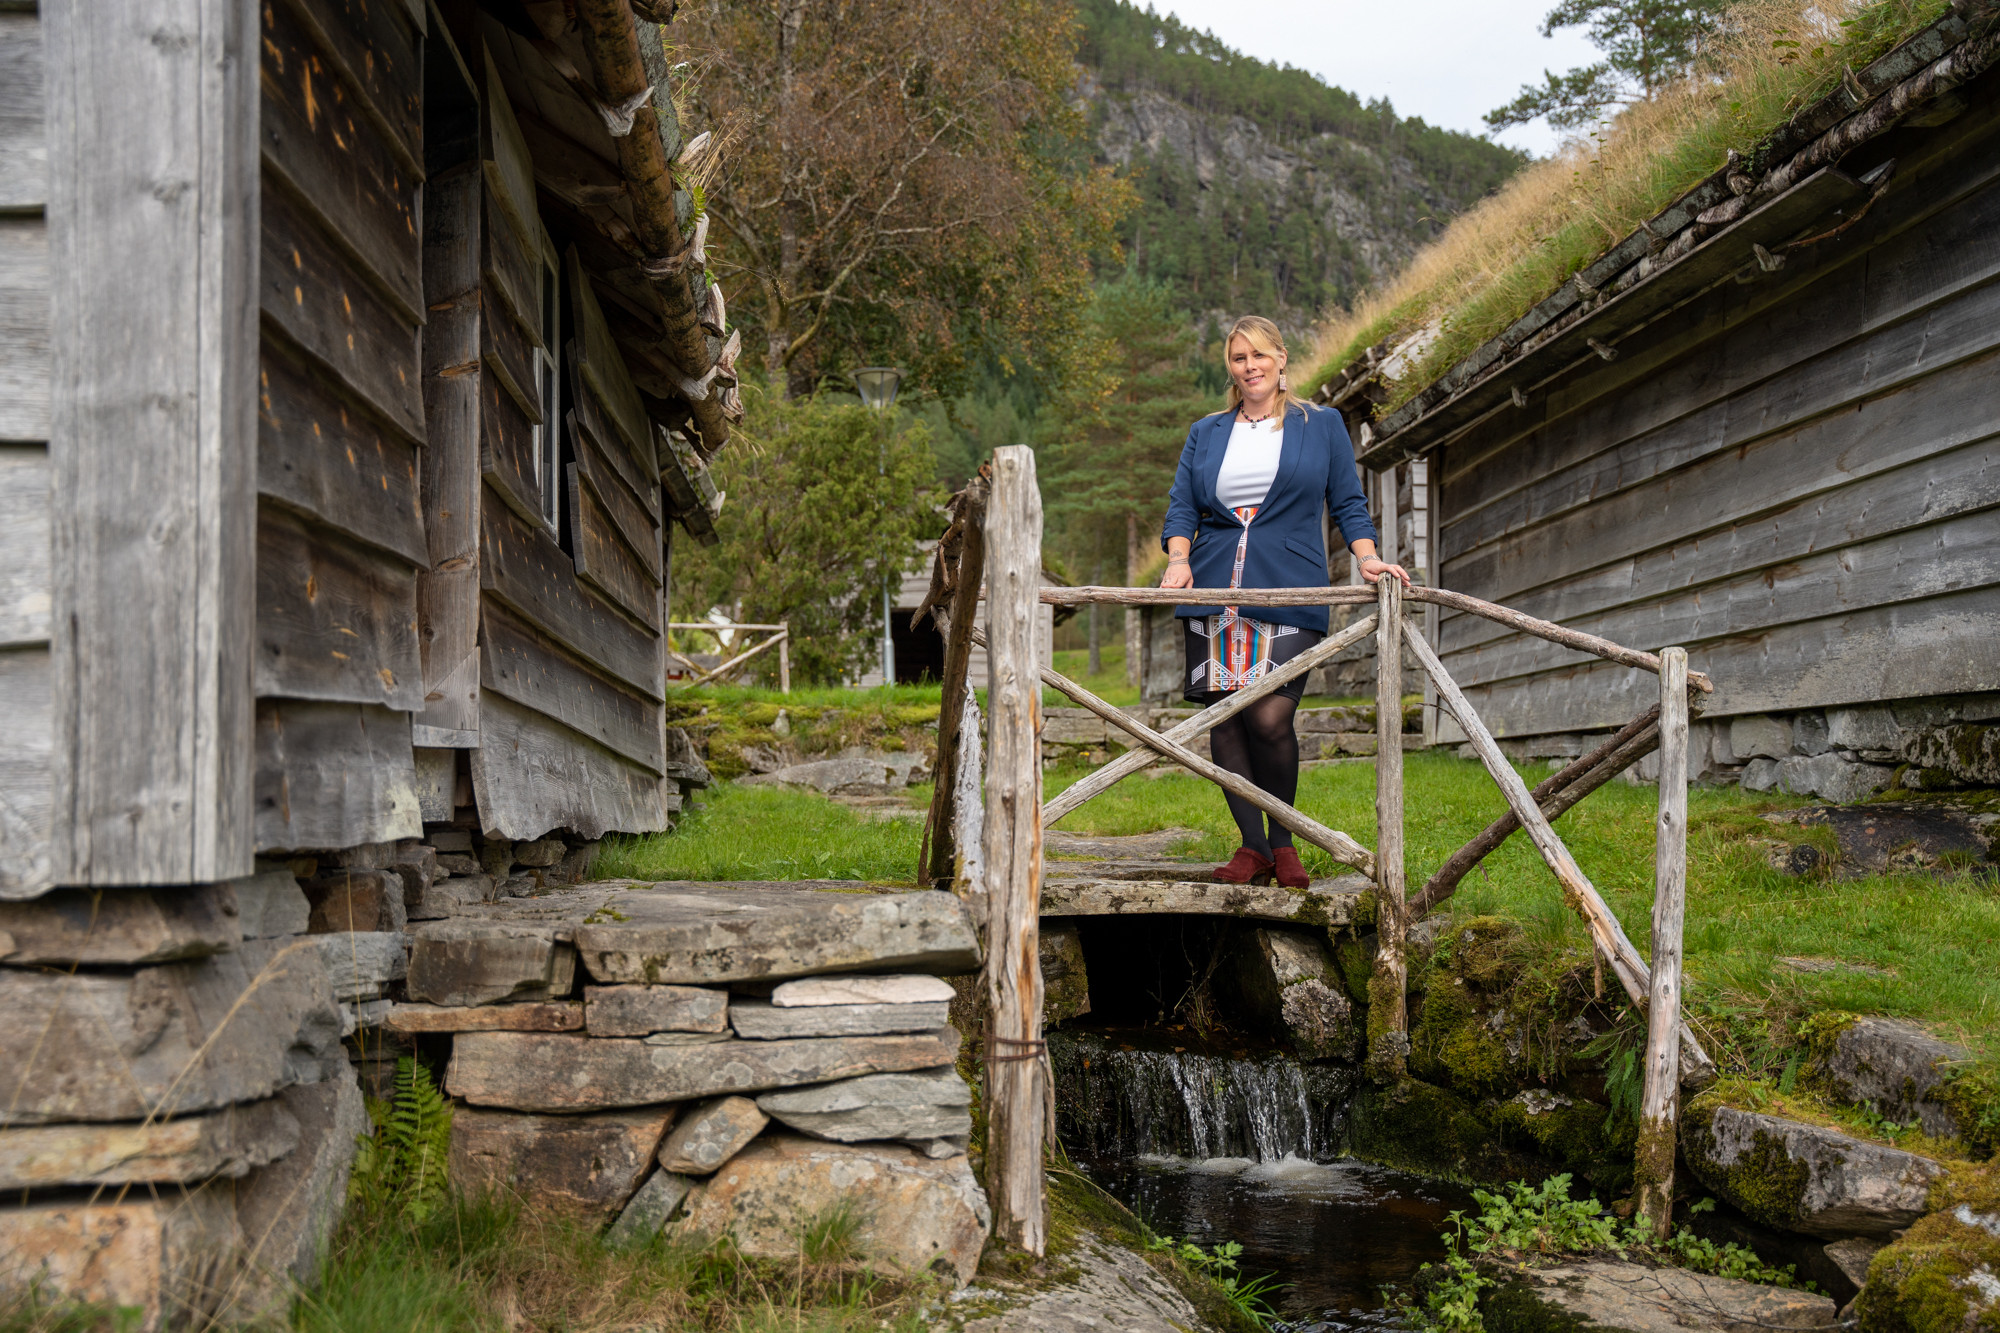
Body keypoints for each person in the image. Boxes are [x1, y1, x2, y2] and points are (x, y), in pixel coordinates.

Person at [1160, 316, 1409, 888]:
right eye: (1238, 357)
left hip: (1291, 580)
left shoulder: (1319, 425)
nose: (1249, 366)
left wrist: (1367, 559)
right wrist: (1179, 558)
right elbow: (1181, 507)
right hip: (1216, 587)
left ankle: (1283, 839)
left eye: (1259, 355)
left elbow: (1346, 500)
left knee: (1271, 715)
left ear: (1281, 360)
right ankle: (1253, 849)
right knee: (1225, 721)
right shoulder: (1207, 431)